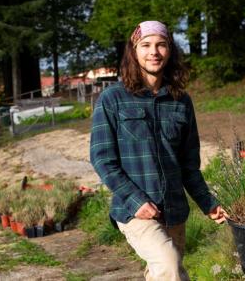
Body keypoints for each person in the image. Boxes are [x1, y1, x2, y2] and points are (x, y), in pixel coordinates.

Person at [90, 20, 226, 281]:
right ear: (134, 51)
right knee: (170, 266)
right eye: (146, 45)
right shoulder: (113, 99)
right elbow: (102, 158)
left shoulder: (181, 101)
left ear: (170, 51)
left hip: (174, 209)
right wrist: (136, 200)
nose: (154, 51)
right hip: (134, 210)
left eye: (161, 45)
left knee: (161, 272)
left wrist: (208, 203)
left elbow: (189, 165)